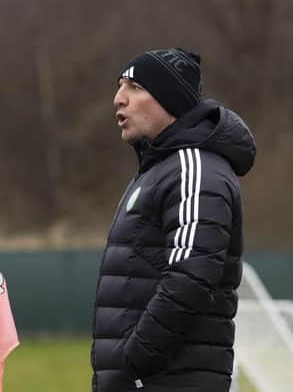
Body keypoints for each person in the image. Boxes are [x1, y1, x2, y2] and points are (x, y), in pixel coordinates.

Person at [91, 48, 256, 391]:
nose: (118, 99)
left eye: (134, 88)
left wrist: (133, 364)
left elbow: (189, 280)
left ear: (171, 100)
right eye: (119, 86)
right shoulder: (157, 170)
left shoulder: (195, 168)